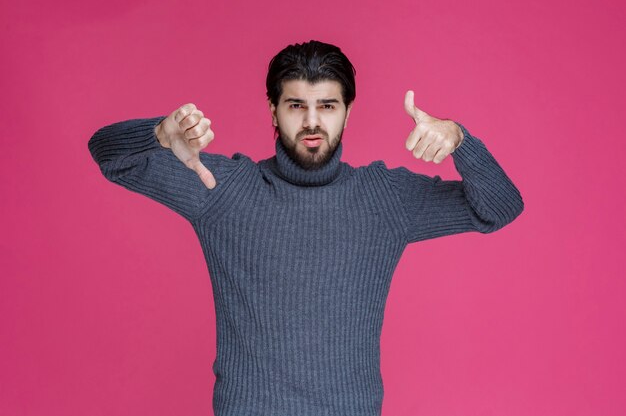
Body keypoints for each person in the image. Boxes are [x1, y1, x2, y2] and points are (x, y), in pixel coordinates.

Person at [88, 40, 524, 416]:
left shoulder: (384, 197)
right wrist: (159, 134)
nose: (312, 122)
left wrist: (460, 140)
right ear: (273, 112)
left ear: (347, 114)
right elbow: (109, 155)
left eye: (327, 106)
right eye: (296, 105)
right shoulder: (221, 187)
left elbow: (500, 208)